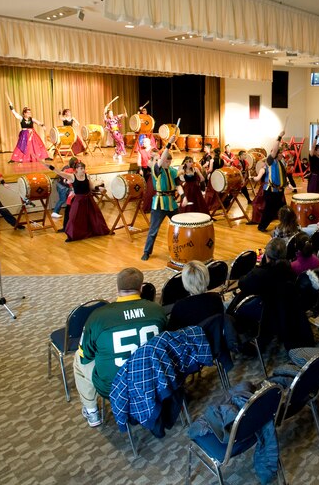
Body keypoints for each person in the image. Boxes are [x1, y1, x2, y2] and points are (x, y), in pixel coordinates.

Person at [73, 267, 167, 427]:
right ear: (141, 288)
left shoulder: (99, 316)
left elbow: (85, 355)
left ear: (117, 288)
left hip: (114, 388)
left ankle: (92, 412)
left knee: (78, 359)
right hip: (151, 379)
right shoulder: (157, 310)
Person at [141, 133, 185, 261]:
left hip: (171, 202)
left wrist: (183, 196)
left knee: (180, 226)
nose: (169, 162)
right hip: (159, 203)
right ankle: (146, 252)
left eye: (170, 160)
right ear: (163, 159)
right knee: (153, 230)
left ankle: (182, 248)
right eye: (167, 159)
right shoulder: (156, 169)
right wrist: (169, 143)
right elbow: (161, 158)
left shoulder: (172, 171)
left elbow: (178, 185)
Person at [47, 161, 110, 242]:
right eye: (81, 168)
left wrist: (98, 188)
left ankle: (99, 231)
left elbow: (91, 187)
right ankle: (72, 235)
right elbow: (60, 173)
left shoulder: (87, 176)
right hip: (78, 200)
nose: (83, 170)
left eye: (84, 168)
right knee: (74, 218)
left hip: (88, 200)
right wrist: (50, 167)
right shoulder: (72, 177)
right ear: (76, 169)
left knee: (95, 216)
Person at [166, 261, 223, 331]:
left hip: (191, 341)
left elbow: (171, 333)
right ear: (207, 278)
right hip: (214, 338)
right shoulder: (216, 299)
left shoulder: (180, 306)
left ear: (185, 281)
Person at [256, 130, 289, 232]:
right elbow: (274, 150)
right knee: (269, 210)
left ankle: (287, 225)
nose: (281, 155)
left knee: (283, 210)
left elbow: (283, 176)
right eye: (280, 153)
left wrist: (288, 184)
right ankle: (261, 227)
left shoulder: (280, 163)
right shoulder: (270, 161)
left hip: (279, 191)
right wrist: (279, 137)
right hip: (270, 191)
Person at [102, 98, 127, 163]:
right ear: (108, 114)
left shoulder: (115, 117)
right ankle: (122, 152)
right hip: (113, 133)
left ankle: (117, 154)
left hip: (118, 132)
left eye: (112, 113)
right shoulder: (107, 120)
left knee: (119, 143)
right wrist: (107, 106)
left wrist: (124, 114)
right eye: (110, 113)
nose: (111, 114)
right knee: (120, 141)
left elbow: (122, 115)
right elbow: (104, 112)